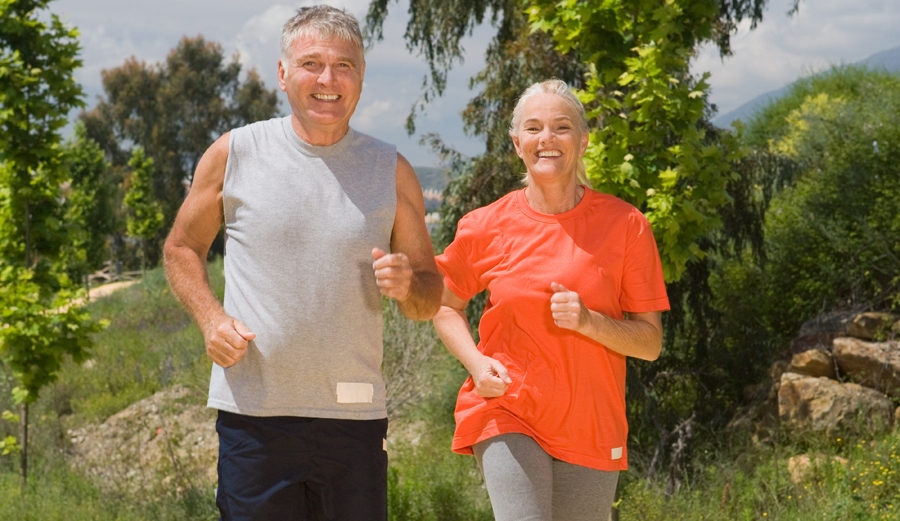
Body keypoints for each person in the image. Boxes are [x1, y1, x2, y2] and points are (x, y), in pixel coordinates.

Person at [163, 5, 442, 520]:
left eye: (345, 65)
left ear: (361, 76)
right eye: (312, 63)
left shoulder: (392, 170)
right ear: (283, 74)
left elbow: (429, 296)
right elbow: (181, 248)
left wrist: (410, 284)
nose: (328, 79)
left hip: (355, 421)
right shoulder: (235, 154)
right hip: (255, 417)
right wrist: (211, 319)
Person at [432, 79, 670, 521]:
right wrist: (477, 364)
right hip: (508, 408)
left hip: (591, 421)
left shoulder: (626, 225)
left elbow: (650, 343)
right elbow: (445, 305)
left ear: (582, 141)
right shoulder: (486, 225)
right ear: (517, 142)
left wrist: (589, 322)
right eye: (534, 128)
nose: (547, 139)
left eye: (561, 127)